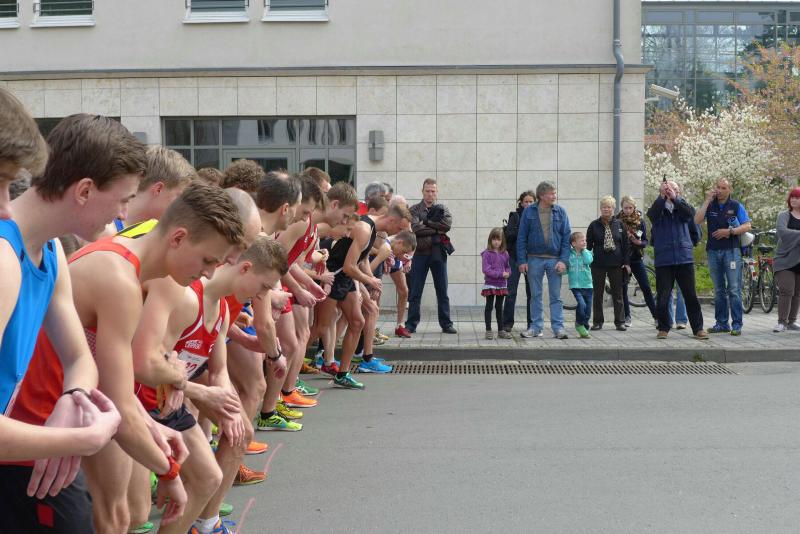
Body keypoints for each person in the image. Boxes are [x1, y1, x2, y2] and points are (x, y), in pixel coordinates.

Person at [10, 178, 245, 532]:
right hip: (35, 435)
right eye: (208, 260)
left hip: (61, 417)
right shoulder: (120, 279)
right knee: (115, 517)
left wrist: (150, 424)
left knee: (130, 515)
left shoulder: (126, 264)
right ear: (178, 238)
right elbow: (127, 387)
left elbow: (108, 378)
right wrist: (170, 473)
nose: (210, 273)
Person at [0, 101, 125, 532]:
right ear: (85, 190)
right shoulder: (5, 257)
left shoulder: (51, 250)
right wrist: (80, 438)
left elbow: (79, 358)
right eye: (122, 200)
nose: (121, 215)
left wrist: (72, 399)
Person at [132, 236, 287, 534]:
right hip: (140, 400)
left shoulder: (222, 311)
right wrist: (198, 391)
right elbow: (147, 365)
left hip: (170, 401)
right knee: (132, 514)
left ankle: (205, 525)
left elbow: (219, 370)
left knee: (213, 469)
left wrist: (227, 406)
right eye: (264, 287)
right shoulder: (187, 298)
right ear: (245, 268)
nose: (263, 296)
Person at [648, 180, 708, 340]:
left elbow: (690, 215)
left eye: (673, 189)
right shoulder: (657, 208)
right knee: (663, 296)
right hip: (664, 259)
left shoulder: (683, 207)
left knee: (690, 296)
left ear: (678, 192)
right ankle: (663, 327)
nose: (669, 191)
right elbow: (651, 215)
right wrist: (662, 197)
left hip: (684, 258)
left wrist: (675, 199)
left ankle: (698, 328)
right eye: (666, 189)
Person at [693, 178, 751, 336]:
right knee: (719, 289)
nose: (719, 190)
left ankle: (737, 324)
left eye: (723, 188)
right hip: (713, 251)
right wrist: (706, 201)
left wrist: (729, 231)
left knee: (734, 289)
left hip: (731, 251)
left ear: (729, 190)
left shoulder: (736, 205)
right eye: (717, 187)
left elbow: (747, 225)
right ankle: (721, 323)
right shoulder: (710, 205)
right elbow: (697, 220)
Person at [517, 180, 571, 339]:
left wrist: (564, 260)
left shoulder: (561, 212)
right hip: (534, 259)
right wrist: (522, 260)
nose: (554, 196)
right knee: (535, 295)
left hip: (555, 260)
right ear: (541, 195)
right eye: (551, 193)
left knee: (556, 296)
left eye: (555, 193)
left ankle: (558, 328)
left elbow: (566, 237)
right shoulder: (529, 212)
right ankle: (535, 327)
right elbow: (521, 237)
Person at [407, 178, 456, 334]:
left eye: (433, 191)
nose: (430, 194)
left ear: (436, 192)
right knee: (415, 291)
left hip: (438, 253)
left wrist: (426, 223)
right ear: (422, 191)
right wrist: (436, 229)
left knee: (442, 291)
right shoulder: (414, 209)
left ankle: (446, 324)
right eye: (427, 191)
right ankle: (411, 324)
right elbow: (415, 228)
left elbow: (446, 225)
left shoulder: (443, 209)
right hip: (420, 253)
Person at [586, 196, 630, 331]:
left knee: (618, 294)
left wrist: (626, 263)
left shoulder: (620, 225)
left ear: (613, 209)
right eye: (604, 207)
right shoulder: (594, 225)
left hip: (616, 264)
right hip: (598, 264)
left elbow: (626, 245)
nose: (606, 209)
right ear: (600, 208)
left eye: (609, 207)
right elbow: (588, 246)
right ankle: (597, 322)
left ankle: (620, 322)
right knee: (598, 294)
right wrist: (585, 261)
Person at [617, 196, 656, 326]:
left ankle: (656, 317)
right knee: (623, 289)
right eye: (625, 208)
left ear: (634, 208)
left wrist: (638, 242)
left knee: (646, 287)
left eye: (630, 208)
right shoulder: (617, 221)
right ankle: (627, 317)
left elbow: (645, 241)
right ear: (622, 207)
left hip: (636, 258)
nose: (628, 210)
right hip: (623, 260)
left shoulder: (640, 221)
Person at [502, 190, 535, 334]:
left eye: (531, 201)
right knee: (511, 292)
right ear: (521, 203)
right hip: (514, 257)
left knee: (532, 293)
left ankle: (531, 323)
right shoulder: (514, 216)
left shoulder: (537, 216)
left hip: (532, 259)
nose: (528, 204)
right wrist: (523, 229)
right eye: (526, 201)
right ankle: (507, 323)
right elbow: (509, 234)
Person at [772, 186, 800, 332]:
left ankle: (792, 321)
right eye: (792, 197)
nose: (794, 200)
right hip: (784, 260)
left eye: (797, 197)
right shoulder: (784, 215)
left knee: (797, 293)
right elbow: (783, 232)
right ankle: (782, 322)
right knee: (786, 290)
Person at [481, 228, 511, 339]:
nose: (496, 242)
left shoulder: (505, 253)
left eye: (498, 239)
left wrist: (508, 273)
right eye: (494, 239)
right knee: (489, 307)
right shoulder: (487, 254)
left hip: (501, 285)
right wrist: (500, 274)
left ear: (502, 241)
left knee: (499, 307)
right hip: (490, 284)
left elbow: (508, 267)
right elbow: (486, 270)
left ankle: (501, 330)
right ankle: (488, 330)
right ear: (490, 240)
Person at [567, 231, 593, 339]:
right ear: (574, 243)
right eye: (582, 241)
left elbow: (588, 261)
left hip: (587, 285)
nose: (584, 242)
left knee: (588, 309)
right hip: (576, 286)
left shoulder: (587, 253)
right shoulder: (569, 254)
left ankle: (584, 326)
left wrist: (584, 250)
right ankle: (579, 323)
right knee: (582, 305)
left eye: (585, 240)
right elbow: (566, 268)